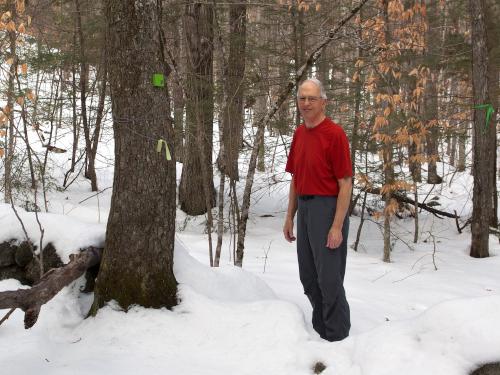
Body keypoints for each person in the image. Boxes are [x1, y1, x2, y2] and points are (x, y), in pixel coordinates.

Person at [283, 78, 352, 342]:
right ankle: (322, 333)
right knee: (309, 277)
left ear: (323, 102)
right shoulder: (300, 134)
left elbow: (345, 182)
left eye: (312, 98)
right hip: (306, 208)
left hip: (328, 208)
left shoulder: (334, 134)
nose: (306, 103)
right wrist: (290, 216)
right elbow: (295, 178)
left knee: (329, 279)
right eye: (302, 98)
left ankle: (338, 339)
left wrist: (336, 226)